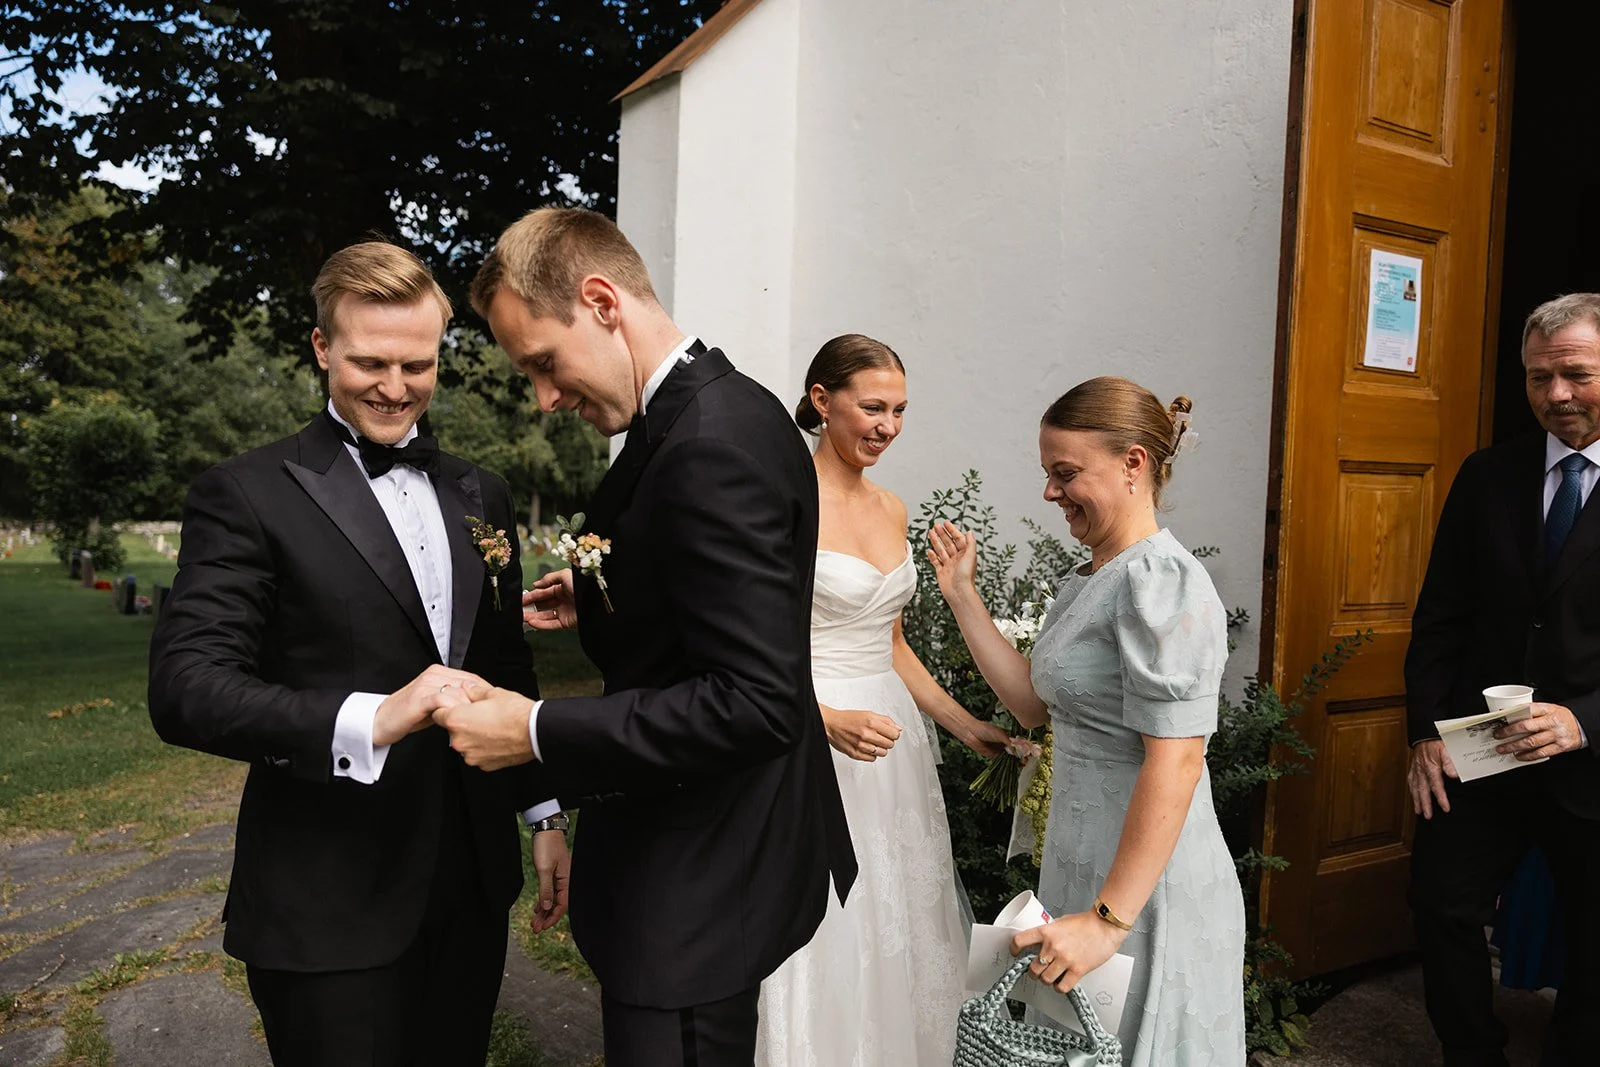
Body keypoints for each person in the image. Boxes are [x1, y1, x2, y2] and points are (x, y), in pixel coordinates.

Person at [430, 206, 857, 1067]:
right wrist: (608, 597)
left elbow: (754, 702)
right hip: (699, 858)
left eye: (544, 363)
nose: (546, 398)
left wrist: (533, 730)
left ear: (601, 300)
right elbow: (726, 602)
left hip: (701, 882)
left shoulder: (709, 443)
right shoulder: (716, 408)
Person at [148, 241, 569, 1065]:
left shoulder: (483, 492)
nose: (394, 386)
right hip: (327, 891)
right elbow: (186, 688)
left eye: (418, 364)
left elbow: (504, 662)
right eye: (368, 361)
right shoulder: (245, 492)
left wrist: (541, 811)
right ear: (320, 349)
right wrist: (373, 717)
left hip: (470, 880)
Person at [927, 376, 1245, 1065]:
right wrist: (962, 597)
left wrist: (1108, 920)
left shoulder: (1164, 580)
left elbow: (1177, 758)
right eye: (1048, 474)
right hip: (1082, 873)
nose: (1050, 493)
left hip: (1145, 891)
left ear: (1134, 463)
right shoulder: (1090, 576)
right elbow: (1035, 706)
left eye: (1065, 473)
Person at [753, 335, 1011, 1065]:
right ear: (821, 400)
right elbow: (754, 643)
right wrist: (820, 718)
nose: (887, 425)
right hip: (810, 730)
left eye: (899, 410)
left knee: (897, 917)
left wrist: (970, 730)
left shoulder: (893, 507)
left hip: (894, 750)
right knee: (826, 919)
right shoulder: (781, 502)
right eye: (872, 406)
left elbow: (891, 646)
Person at [1405, 292, 1600, 1066]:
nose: (1556, 395)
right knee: (1439, 903)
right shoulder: (1487, 475)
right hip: (1480, 752)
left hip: (1590, 759)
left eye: (1577, 375)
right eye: (1537, 377)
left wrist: (1585, 719)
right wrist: (1425, 731)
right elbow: (1440, 616)